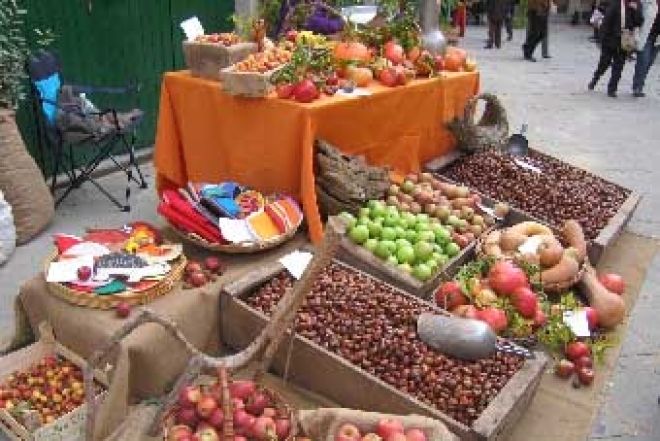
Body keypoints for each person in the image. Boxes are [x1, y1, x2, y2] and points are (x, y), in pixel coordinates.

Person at [588, 0, 643, 97]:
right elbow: (606, 22)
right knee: (604, 63)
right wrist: (601, 39)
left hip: (624, 41)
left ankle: (612, 89)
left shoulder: (636, 4)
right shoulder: (615, 3)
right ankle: (595, 79)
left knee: (619, 66)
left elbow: (639, 22)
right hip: (610, 39)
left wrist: (635, 11)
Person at [632, 0, 659, 96]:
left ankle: (640, 85)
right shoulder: (646, 1)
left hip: (657, 38)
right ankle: (637, 87)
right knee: (643, 61)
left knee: (649, 62)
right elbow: (637, 16)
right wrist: (635, 34)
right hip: (646, 36)